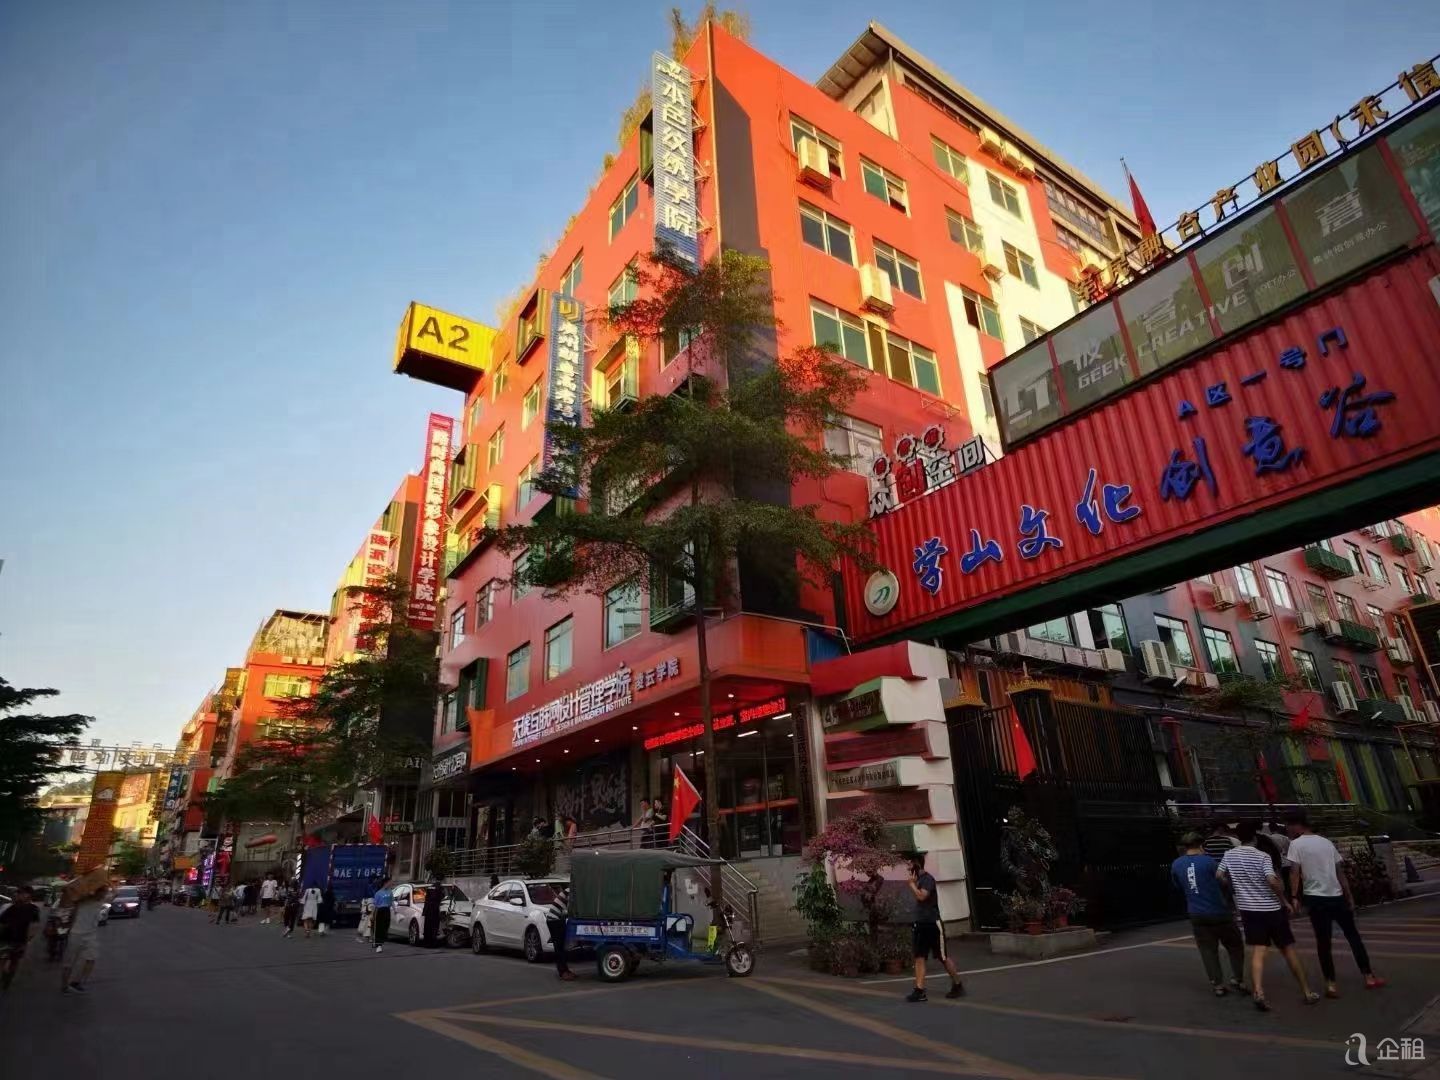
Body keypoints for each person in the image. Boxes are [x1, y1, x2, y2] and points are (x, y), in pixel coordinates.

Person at [1218, 822, 1318, 1012]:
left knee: (1258, 951)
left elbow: (1219, 875)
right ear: (1254, 837)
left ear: (1238, 838)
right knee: (1287, 949)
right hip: (1271, 909)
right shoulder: (1262, 856)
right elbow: (1272, 880)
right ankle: (1307, 992)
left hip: (1248, 910)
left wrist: (1235, 887)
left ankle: (1258, 992)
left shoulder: (1229, 855)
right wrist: (1284, 900)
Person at [1284, 811, 1386, 997]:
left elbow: (1294, 872)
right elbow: (1340, 872)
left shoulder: (1296, 844)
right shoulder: (1326, 842)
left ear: (1296, 825)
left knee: (1323, 942)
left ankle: (1331, 984)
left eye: (1288, 826)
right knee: (1353, 936)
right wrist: (1349, 895)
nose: (1287, 830)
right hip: (1337, 896)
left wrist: (1294, 896)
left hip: (1315, 898)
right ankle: (1369, 976)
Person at [1170, 833, 1247, 996]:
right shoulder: (1210, 862)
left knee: (1207, 950)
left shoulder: (1176, 864)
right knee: (1234, 946)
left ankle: (1217, 985)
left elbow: (1178, 886)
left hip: (1196, 913)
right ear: (1201, 845)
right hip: (1219, 911)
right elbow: (1224, 883)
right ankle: (1237, 978)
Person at [904, 853, 965, 1002]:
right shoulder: (918, 880)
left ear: (917, 863)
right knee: (919, 956)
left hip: (932, 924)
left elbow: (922, 896)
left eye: (909, 863)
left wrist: (911, 885)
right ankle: (919, 991)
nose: (907, 867)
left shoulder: (927, 879)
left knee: (942, 957)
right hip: (920, 924)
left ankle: (958, 984)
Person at [61, 883, 107, 995]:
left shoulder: (101, 901)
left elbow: (115, 893)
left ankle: (77, 982)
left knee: (91, 959)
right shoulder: (82, 900)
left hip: (91, 934)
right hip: (76, 933)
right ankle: (64, 986)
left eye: (105, 892)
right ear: (97, 892)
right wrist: (66, 890)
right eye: (103, 892)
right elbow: (65, 903)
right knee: (69, 961)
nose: (104, 895)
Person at [0, 885, 42, 990]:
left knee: (14, 961)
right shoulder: (11, 907)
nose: (18, 895)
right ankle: (4, 974)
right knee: (2, 959)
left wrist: (28, 940)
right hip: (5, 938)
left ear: (29, 895)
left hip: (20, 940)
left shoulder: (33, 909)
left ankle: (8, 978)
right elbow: (2, 922)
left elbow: (34, 925)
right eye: (18, 893)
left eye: (22, 893)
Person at [545, 884, 574, 981]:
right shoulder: (570, 892)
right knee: (559, 947)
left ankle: (566, 970)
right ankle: (562, 972)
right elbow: (570, 909)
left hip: (558, 919)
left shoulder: (570, 891)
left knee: (562, 946)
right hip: (554, 920)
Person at [371, 878, 394, 953]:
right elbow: (375, 905)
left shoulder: (390, 892)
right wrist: (372, 915)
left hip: (387, 911)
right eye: (390, 882)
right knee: (379, 928)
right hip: (380, 911)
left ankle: (380, 942)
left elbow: (392, 902)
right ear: (385, 883)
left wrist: (395, 911)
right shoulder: (378, 893)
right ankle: (378, 945)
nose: (391, 884)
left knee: (385, 927)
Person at [421, 882, 442, 948]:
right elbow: (440, 899)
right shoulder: (439, 889)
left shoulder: (430, 889)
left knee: (428, 928)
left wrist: (424, 912)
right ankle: (432, 943)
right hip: (434, 911)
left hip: (429, 911)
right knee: (434, 928)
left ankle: (427, 943)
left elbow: (426, 900)